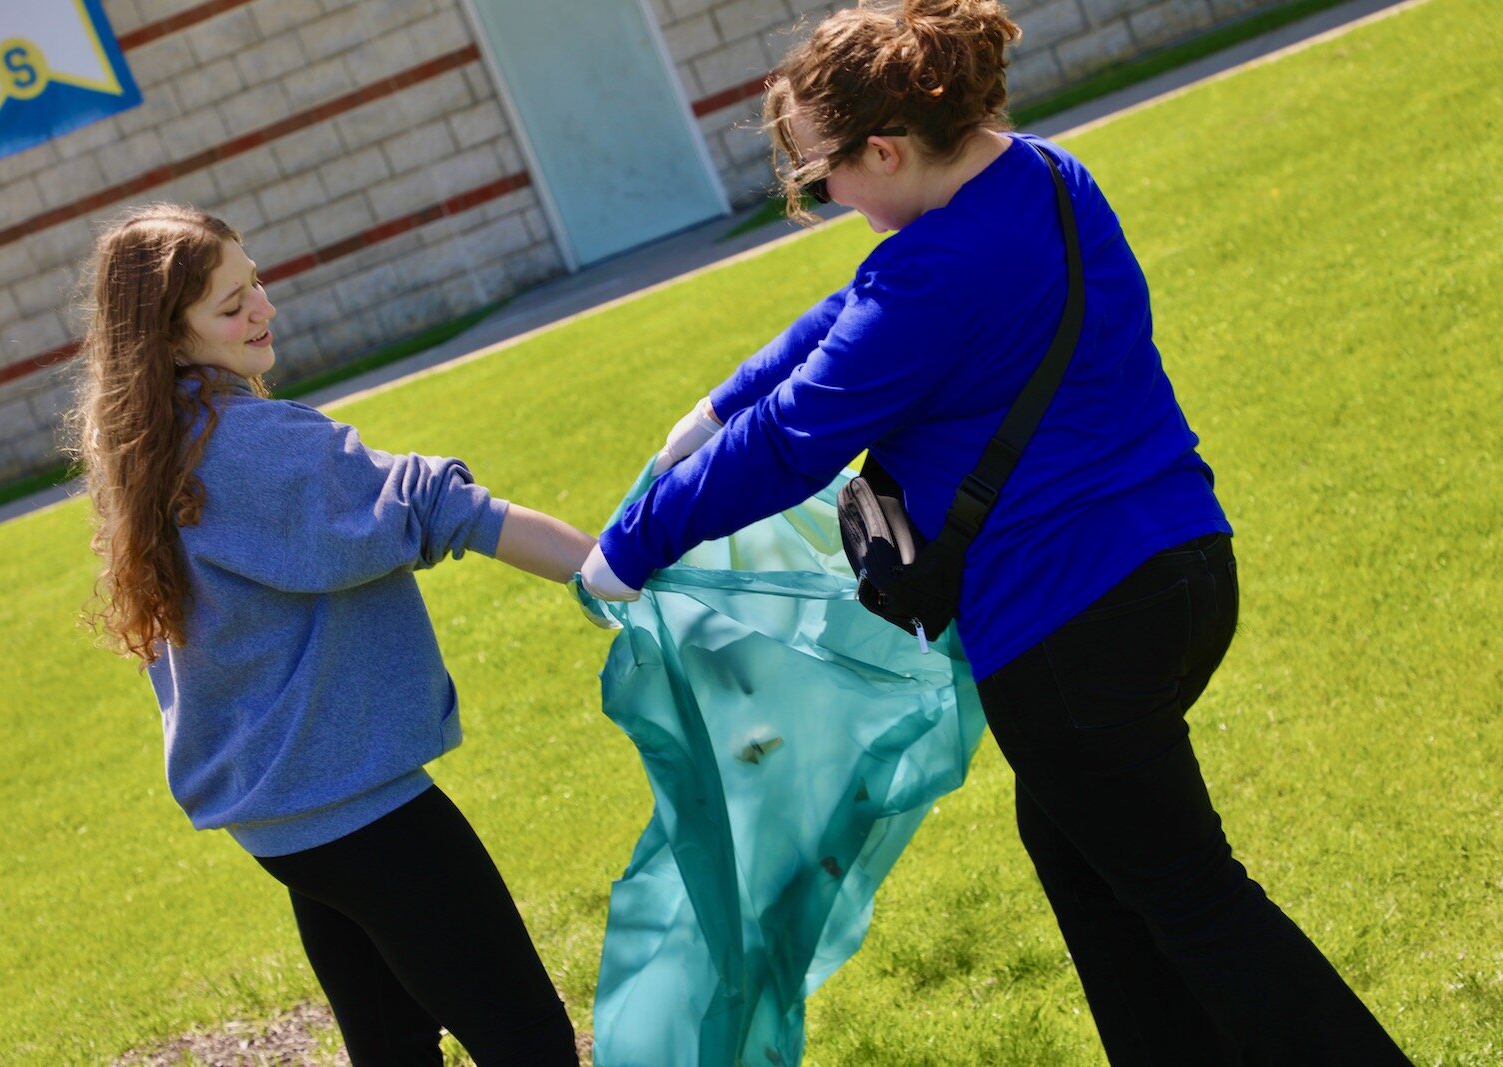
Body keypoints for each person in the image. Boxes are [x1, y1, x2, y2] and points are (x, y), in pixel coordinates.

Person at [579, 1, 1408, 1061]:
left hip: (1072, 630)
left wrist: (626, 548)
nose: (819, 194)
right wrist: (711, 406)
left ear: (884, 148)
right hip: (1180, 569)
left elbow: (792, 441)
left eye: (816, 172)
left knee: (1193, 899)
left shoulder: (936, 274)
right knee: (1087, 860)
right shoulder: (1042, 177)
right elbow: (847, 313)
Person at [69, 204, 586, 1065]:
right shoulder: (243, 444)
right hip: (355, 805)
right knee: (527, 1036)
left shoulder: (151, 444)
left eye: (255, 282)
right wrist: (614, 573)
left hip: (288, 819)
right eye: (231, 306)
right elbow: (439, 508)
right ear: (168, 336)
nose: (263, 309)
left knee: (394, 1044)